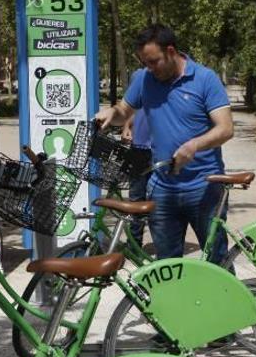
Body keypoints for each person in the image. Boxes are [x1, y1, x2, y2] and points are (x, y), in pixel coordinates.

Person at [95, 23, 233, 264]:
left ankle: (227, 302)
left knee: (216, 263)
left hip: (204, 187)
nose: (150, 68)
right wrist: (111, 114)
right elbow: (124, 110)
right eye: (145, 63)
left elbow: (225, 128)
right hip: (162, 189)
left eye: (154, 61)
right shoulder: (144, 79)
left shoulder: (205, 79)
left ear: (171, 51)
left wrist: (194, 146)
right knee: (167, 267)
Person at [122, 111, 151, 247]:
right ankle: (134, 245)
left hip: (160, 150)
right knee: (136, 200)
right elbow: (133, 109)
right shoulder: (139, 89)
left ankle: (165, 247)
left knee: (160, 200)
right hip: (138, 149)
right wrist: (127, 126)